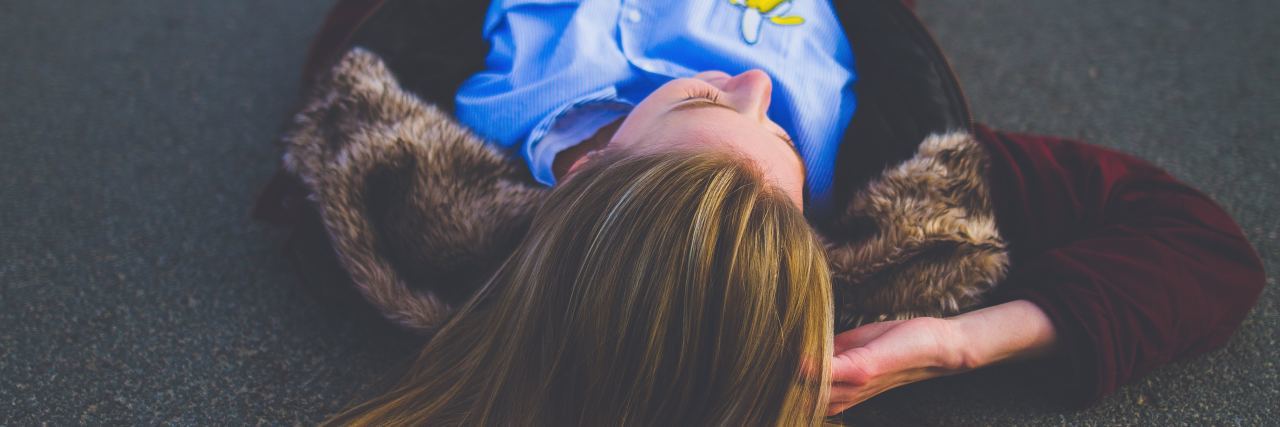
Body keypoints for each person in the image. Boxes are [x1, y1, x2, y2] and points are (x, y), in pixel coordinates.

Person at [253, 0, 1267, 422]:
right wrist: (954, 342)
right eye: (778, 138)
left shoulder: (418, 170)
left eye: (697, 104)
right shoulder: (878, 195)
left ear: (592, 161)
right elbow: (1199, 245)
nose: (749, 83)